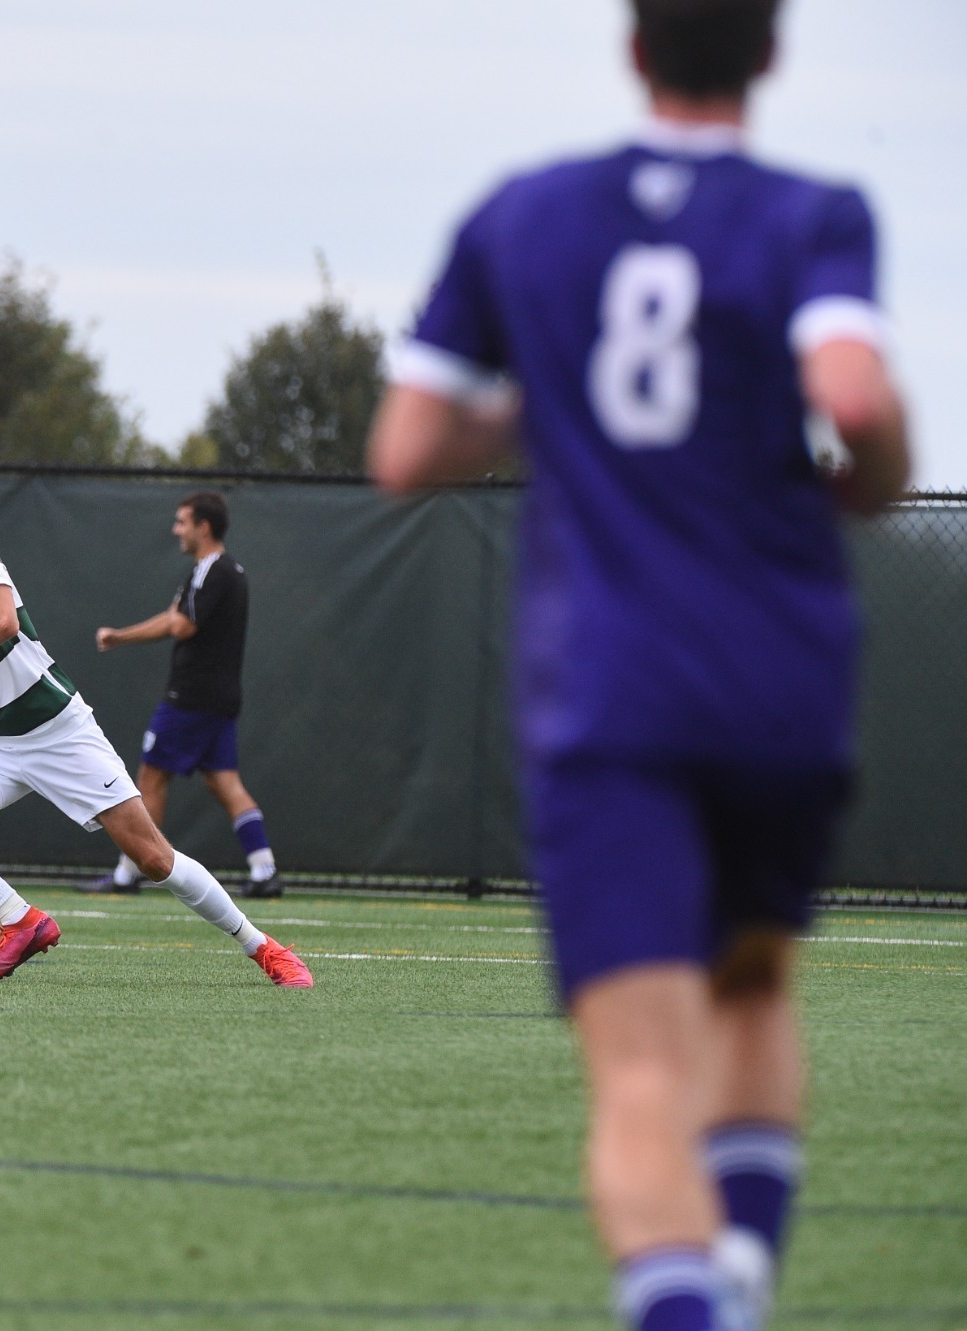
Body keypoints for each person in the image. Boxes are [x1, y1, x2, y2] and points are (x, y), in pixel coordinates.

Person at [366, 2, 911, 1328]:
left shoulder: (526, 213)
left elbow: (405, 452)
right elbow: (855, 401)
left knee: (640, 1075)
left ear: (634, 50)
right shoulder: (816, 210)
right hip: (777, 676)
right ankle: (741, 1273)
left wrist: (541, 405)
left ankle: (688, 1301)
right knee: (751, 980)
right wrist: (868, 482)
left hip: (610, 688)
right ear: (769, 56)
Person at [0, 460, 311, 987]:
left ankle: (263, 948)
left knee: (154, 859)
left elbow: (1, 622)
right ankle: (21, 921)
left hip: (58, 728)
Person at [89, 490, 284, 898]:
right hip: (219, 698)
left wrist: (120, 637)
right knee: (224, 781)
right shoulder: (210, 571)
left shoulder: (216, 572)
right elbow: (174, 617)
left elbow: (181, 626)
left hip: (192, 698)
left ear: (203, 527)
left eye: (182, 522)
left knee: (150, 776)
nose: (176, 529)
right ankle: (265, 870)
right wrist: (121, 636)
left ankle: (128, 874)